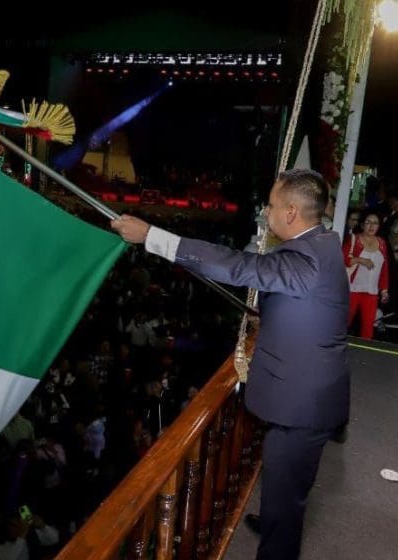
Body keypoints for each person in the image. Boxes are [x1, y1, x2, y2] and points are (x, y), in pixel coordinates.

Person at [110, 169, 349, 560]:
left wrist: (153, 237)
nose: (266, 213)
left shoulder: (306, 259)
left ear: (291, 213)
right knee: (285, 490)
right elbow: (306, 304)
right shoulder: (321, 243)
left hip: (303, 405)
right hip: (309, 392)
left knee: (286, 500)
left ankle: (278, 536)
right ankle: (276, 519)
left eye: (271, 206)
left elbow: (237, 266)